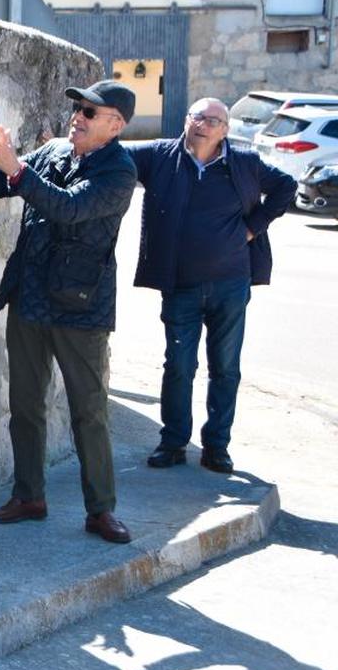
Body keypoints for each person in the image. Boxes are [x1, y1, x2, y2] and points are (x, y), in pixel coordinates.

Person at [0, 80, 138, 544]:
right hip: (31, 298)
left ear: (115, 125)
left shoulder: (120, 171)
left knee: (88, 412)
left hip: (81, 308)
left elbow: (68, 208)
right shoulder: (54, 151)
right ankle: (29, 496)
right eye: (77, 107)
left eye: (91, 112)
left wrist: (17, 170)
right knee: (25, 405)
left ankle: (100, 510)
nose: (78, 116)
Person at [126, 98, 295, 473]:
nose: (204, 123)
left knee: (225, 368)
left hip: (230, 286)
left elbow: (286, 186)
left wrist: (253, 227)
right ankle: (172, 443)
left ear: (225, 130)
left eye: (214, 119)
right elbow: (113, 155)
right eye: (198, 116)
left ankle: (216, 446)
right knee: (179, 366)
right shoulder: (159, 156)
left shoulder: (245, 164)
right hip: (180, 285)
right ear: (187, 121)